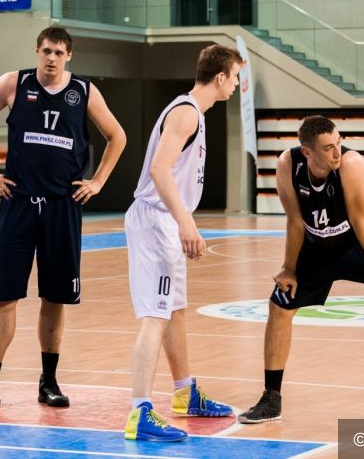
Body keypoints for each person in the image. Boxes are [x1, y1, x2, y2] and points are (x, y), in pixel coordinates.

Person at [0, 26, 126, 409]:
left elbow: (118, 136)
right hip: (18, 202)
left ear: (69, 56)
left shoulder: (83, 91)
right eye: (47, 51)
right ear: (37, 51)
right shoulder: (13, 84)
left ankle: (48, 382)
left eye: (59, 53)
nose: (52, 58)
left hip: (62, 206)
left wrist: (98, 181)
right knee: (5, 296)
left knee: (55, 297)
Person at [237, 115, 364, 432]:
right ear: (307, 152)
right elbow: (295, 221)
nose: (337, 152)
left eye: (339, 143)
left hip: (363, 241)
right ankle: (271, 399)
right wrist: (289, 269)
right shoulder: (288, 164)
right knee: (280, 305)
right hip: (318, 244)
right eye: (328, 148)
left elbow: (360, 223)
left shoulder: (351, 164)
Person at [123, 44, 244, 442]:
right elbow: (159, 169)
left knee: (174, 311)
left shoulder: (195, 113)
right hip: (156, 221)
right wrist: (185, 221)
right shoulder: (186, 112)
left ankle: (184, 393)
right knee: (155, 315)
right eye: (235, 76)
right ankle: (140, 411)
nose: (237, 84)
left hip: (165, 222)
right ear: (221, 77)